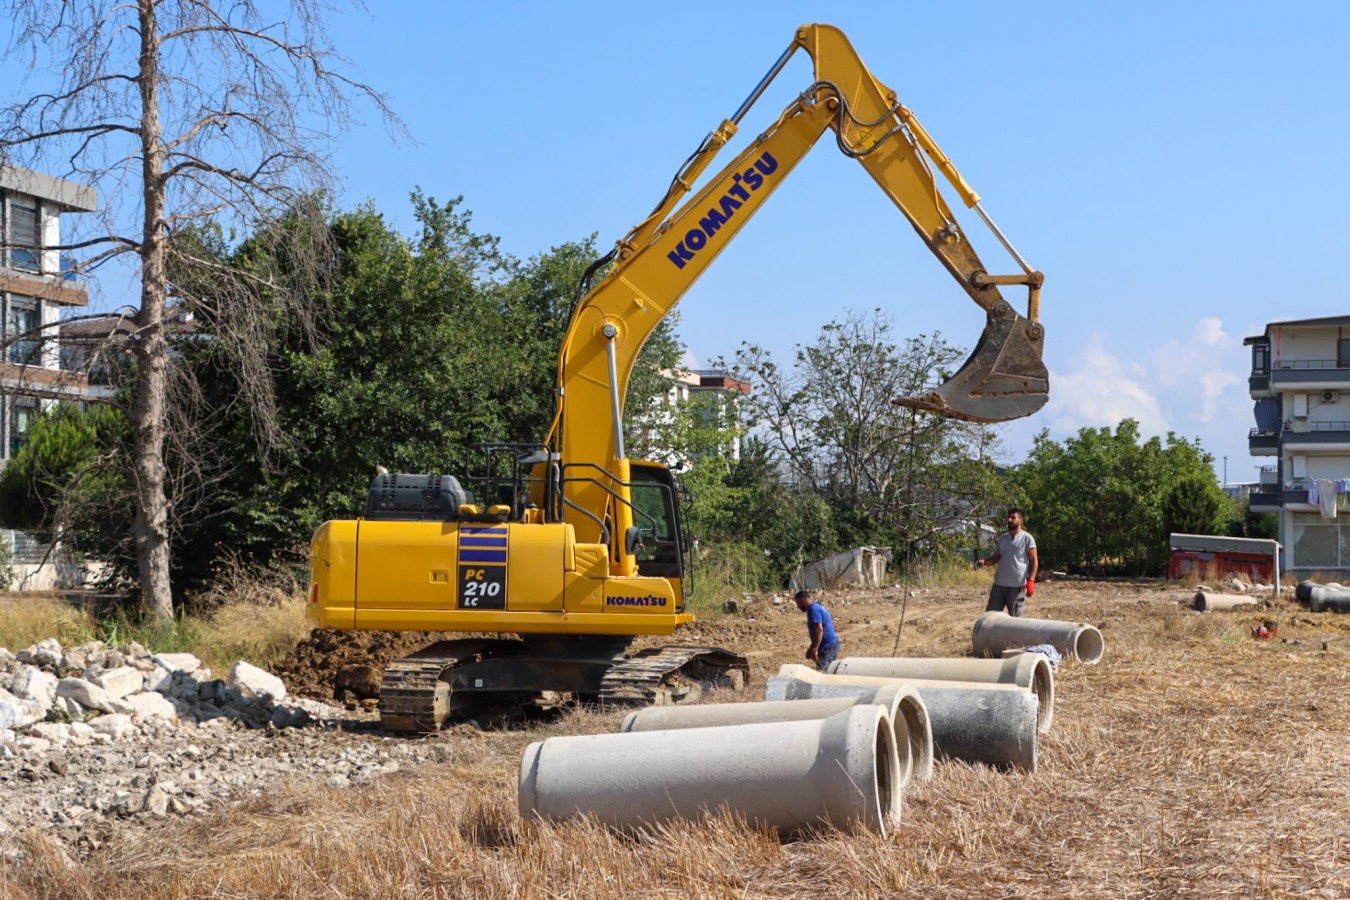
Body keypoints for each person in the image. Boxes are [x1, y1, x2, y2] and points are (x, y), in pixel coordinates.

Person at [976, 508, 1039, 617]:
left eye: (1013, 517)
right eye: (1008, 517)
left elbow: (1034, 561)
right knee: (991, 619)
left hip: (1016, 587)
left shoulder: (1027, 538)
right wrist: (984, 562)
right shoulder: (1003, 539)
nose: (1009, 520)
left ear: (1021, 520)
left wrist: (1031, 581)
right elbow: (996, 558)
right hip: (999, 586)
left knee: (1016, 623)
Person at [794, 590, 840, 671]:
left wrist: (815, 648)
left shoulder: (813, 610)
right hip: (826, 645)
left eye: (798, 603)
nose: (798, 606)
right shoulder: (814, 608)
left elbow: (819, 629)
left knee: (822, 671)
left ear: (803, 600)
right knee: (824, 670)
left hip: (829, 646)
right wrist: (811, 648)